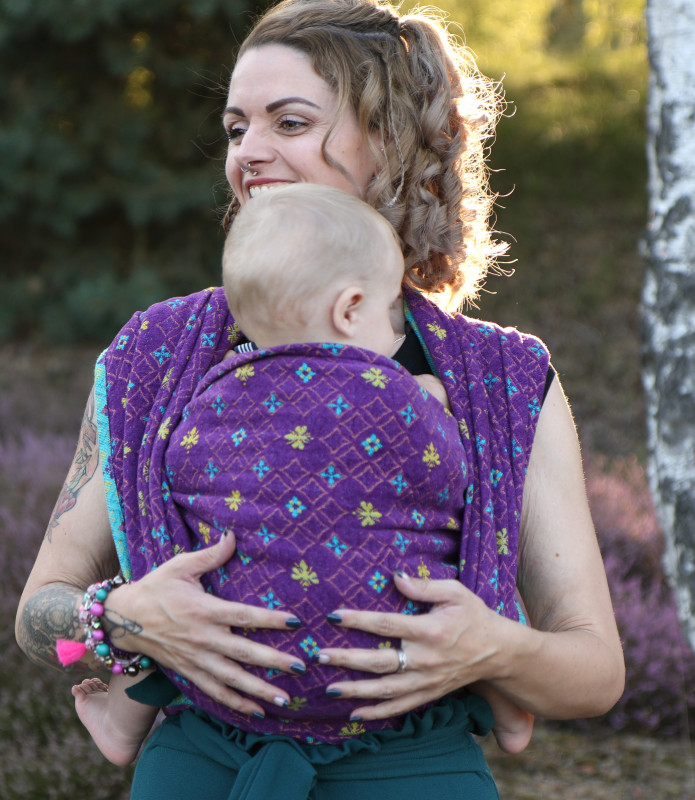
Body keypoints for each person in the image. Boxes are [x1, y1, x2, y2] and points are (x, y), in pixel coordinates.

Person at [16, 1, 625, 797]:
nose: (250, 154)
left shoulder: (499, 382)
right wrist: (125, 620)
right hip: (202, 768)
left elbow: (597, 672)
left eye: (289, 122)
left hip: (415, 774)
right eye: (237, 129)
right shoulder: (153, 362)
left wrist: (497, 651)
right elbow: (38, 621)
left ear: (392, 141)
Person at [68, 183, 534, 766]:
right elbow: (465, 481)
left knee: (164, 570)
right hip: (386, 657)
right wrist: (431, 400)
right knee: (483, 552)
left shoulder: (205, 395)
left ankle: (120, 723)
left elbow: (169, 486)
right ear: (349, 309)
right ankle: (511, 715)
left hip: (234, 664)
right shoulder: (404, 397)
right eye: (387, 308)